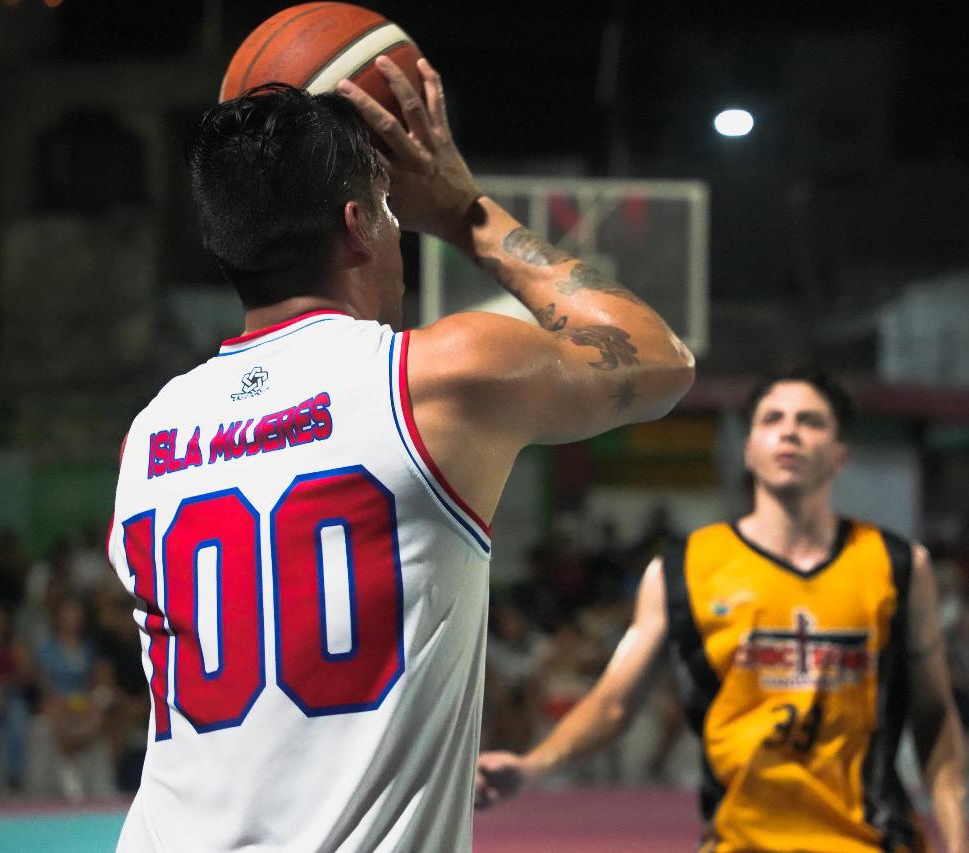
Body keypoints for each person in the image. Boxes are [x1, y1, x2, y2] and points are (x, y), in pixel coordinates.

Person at [107, 54, 694, 852]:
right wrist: (463, 212)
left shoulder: (149, 435)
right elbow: (659, 358)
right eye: (387, 212)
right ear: (359, 225)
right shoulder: (438, 377)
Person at [476, 369, 967, 853]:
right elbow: (613, 703)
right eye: (772, 419)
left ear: (840, 454)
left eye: (811, 421)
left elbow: (935, 716)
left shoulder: (899, 565)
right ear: (749, 450)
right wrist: (532, 766)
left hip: (872, 842)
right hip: (740, 843)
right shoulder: (685, 568)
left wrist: (960, 838)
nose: (790, 431)